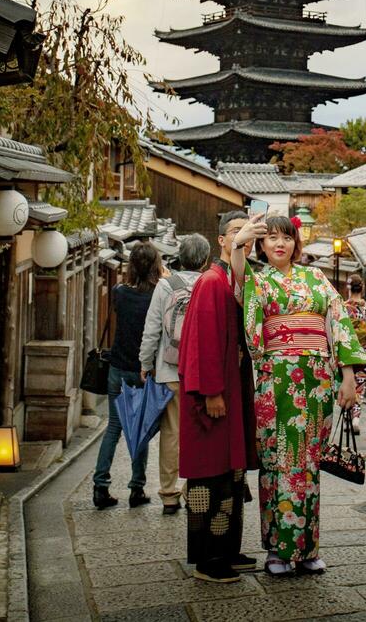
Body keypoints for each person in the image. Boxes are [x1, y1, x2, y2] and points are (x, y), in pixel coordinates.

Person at [231, 214, 366, 577]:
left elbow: (339, 325)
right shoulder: (258, 282)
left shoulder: (317, 278)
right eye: (272, 238)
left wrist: (348, 377)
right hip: (275, 379)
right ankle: (277, 550)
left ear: (297, 243)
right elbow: (239, 282)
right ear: (261, 245)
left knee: (308, 463)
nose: (280, 244)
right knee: (277, 461)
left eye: (287, 238)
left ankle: (308, 548)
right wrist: (237, 244)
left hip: (316, 380)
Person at [177, 211, 258, 584]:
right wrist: (210, 391)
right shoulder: (211, 281)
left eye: (248, 231)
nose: (244, 236)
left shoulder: (236, 278)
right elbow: (204, 342)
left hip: (233, 387)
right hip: (214, 392)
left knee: (231, 475)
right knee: (211, 477)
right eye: (235, 231)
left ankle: (227, 548)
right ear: (222, 241)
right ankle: (209, 558)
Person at [140, 233, 211, 514]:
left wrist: (145, 364)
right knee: (201, 431)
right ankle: (192, 487)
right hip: (204, 372)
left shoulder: (165, 286)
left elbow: (152, 329)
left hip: (170, 370)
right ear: (205, 259)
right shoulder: (212, 283)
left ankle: (169, 494)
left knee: (171, 433)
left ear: (180, 257)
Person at [92, 241, 162, 510]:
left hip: (118, 368)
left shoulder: (119, 292)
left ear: (131, 265)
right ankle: (137, 488)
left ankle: (100, 486)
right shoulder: (158, 294)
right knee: (139, 429)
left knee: (113, 427)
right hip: (145, 370)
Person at [344, 274, 366, 433]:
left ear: (348, 288)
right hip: (362, 352)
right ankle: (356, 417)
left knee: (345, 385)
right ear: (362, 288)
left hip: (346, 353)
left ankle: (347, 421)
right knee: (359, 387)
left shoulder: (343, 307)